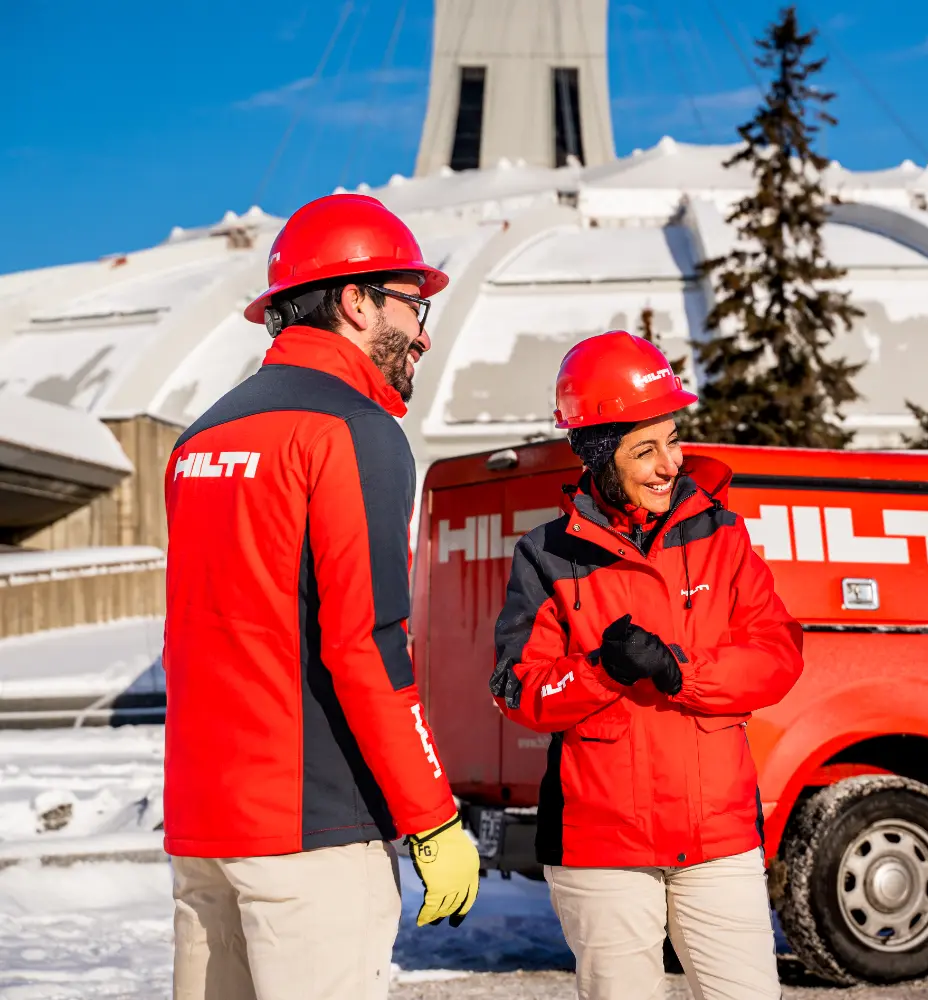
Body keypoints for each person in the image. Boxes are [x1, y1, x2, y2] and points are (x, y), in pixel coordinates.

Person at [163, 193, 480, 1000]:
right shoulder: (351, 430)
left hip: (205, 826)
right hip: (313, 831)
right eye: (411, 304)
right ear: (356, 301)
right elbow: (366, 644)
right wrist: (433, 816)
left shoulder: (200, 440)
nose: (422, 332)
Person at [490, 331, 805, 1000]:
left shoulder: (722, 535)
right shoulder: (547, 555)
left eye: (673, 440)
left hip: (718, 838)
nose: (670, 464)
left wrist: (680, 673)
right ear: (598, 456)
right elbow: (518, 688)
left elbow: (777, 655)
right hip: (601, 847)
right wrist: (601, 670)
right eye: (645, 450)